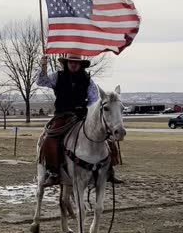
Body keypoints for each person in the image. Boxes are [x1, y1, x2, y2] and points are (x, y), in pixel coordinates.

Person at [36, 54, 122, 186]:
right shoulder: (57, 76)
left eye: (76, 62)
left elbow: (93, 100)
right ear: (67, 63)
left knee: (107, 137)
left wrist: (88, 113)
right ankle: (53, 172)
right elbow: (42, 82)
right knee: (50, 139)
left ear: (81, 64)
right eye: (71, 62)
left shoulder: (87, 80)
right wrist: (43, 67)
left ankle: (109, 170)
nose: (73, 64)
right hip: (62, 115)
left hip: (82, 116)